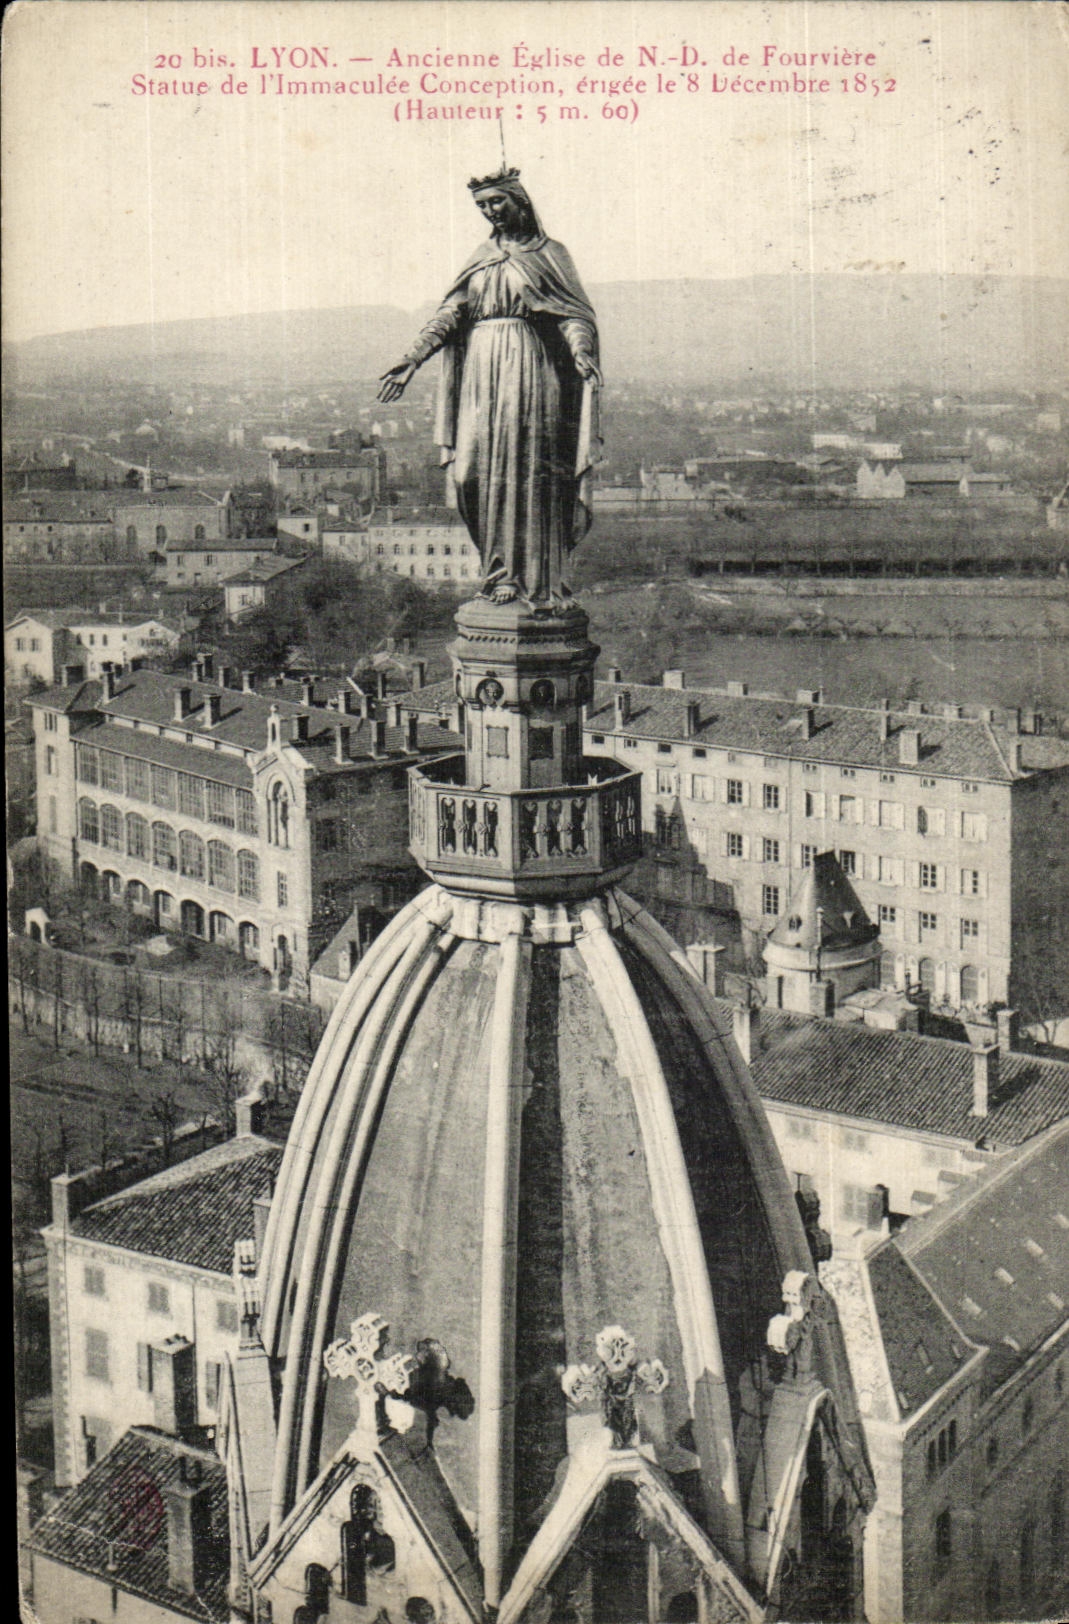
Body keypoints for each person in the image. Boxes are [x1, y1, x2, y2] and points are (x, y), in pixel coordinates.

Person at [378, 169, 601, 605]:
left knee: (531, 474)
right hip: (481, 376)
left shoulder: (551, 253)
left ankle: (534, 580)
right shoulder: (481, 256)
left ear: (520, 201)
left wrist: (580, 349)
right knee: (471, 475)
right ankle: (496, 569)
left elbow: (575, 314)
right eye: (482, 206)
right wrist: (412, 358)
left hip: (533, 373)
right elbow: (449, 316)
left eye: (497, 202)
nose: (490, 212)